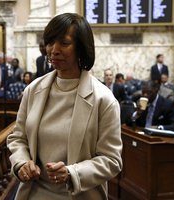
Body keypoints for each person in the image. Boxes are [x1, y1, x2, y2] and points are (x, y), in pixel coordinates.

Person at [7, 13, 122, 200]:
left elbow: (111, 160)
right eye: (50, 42)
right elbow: (17, 138)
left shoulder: (104, 99)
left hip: (81, 194)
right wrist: (21, 163)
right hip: (34, 193)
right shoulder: (33, 90)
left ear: (81, 48)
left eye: (64, 43)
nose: (54, 50)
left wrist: (72, 173)